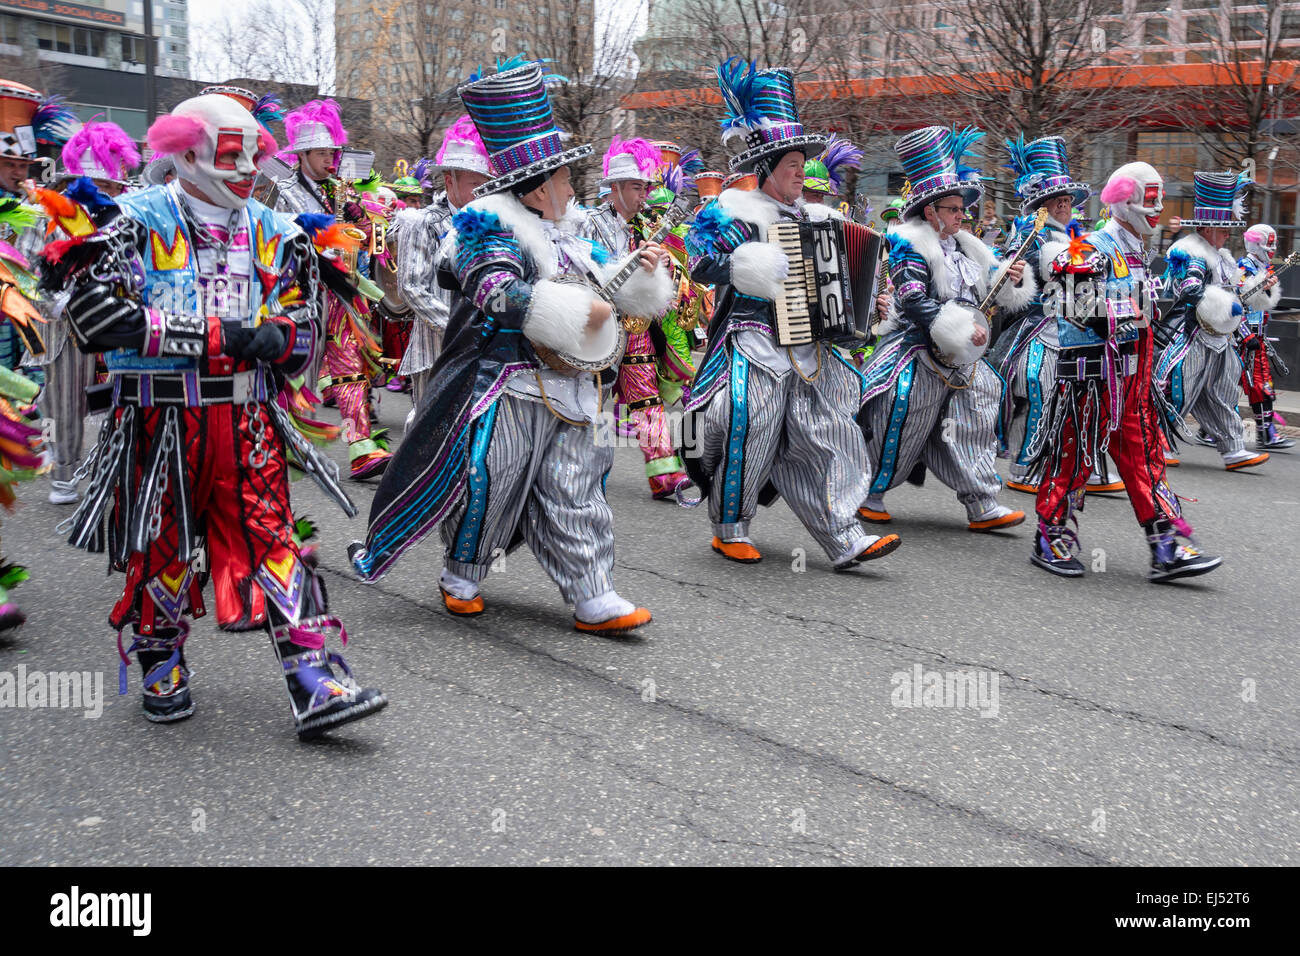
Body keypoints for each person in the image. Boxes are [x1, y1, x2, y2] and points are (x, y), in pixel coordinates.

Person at [45, 93, 387, 737]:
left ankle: (315, 679)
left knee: (278, 541)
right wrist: (216, 335)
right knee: (163, 543)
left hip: (249, 418)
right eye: (233, 155)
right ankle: (160, 658)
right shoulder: (131, 220)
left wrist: (281, 339)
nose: (250, 167)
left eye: (257, 153)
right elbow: (94, 320)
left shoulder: (278, 230)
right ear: (188, 152)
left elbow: (304, 328)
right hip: (158, 421)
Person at [350, 57, 674, 633]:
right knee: (491, 479)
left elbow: (607, 285)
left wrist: (637, 271)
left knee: (575, 483)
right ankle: (462, 572)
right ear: (536, 186)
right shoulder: (483, 226)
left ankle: (592, 591)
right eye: (565, 178)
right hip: (504, 382)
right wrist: (574, 311)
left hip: (571, 388)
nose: (573, 187)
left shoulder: (571, 235)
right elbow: (494, 290)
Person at [682, 57, 900, 570]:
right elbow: (701, 265)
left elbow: (841, 288)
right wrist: (746, 266)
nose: (802, 174)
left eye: (804, 167)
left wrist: (868, 306)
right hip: (753, 340)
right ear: (765, 170)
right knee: (750, 421)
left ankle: (843, 535)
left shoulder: (820, 220)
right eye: (792, 166)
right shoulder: (737, 213)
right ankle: (730, 527)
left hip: (808, 348)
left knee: (825, 433)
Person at [1025, 161, 1221, 580]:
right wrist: (1119, 313)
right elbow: (1066, 303)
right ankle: (1050, 536)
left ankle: (1165, 546)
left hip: (1133, 381)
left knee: (1146, 457)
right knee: (1073, 455)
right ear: (1126, 199)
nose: (1159, 208)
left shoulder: (1136, 252)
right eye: (1152, 199)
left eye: (1160, 198)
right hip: (1091, 380)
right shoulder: (1089, 247)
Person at [858, 126, 1033, 533]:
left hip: (966, 357)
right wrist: (954, 327)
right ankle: (869, 491)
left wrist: (1010, 278)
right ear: (932, 211)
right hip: (917, 351)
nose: (962, 215)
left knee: (977, 417)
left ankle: (982, 502)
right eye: (954, 209)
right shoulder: (908, 244)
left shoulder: (969, 248)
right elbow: (915, 300)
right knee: (899, 418)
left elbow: (990, 292)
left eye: (962, 209)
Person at [994, 134, 1124, 496]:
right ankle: (1024, 465)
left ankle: (1089, 467)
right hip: (1038, 327)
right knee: (1040, 386)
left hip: (1081, 327)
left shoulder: (1077, 238)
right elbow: (1011, 281)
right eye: (1058, 200)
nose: (1066, 205)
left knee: (1093, 393)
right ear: (1042, 204)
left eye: (1068, 200)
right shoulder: (1028, 233)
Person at [275, 99, 391, 478]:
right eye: (323, 153)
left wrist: (379, 227)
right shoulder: (285, 191)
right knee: (297, 370)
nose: (331, 159)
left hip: (340, 292)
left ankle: (360, 447)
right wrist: (335, 235)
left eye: (333, 152)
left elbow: (371, 232)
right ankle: (290, 441)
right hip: (299, 293)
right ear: (303, 154)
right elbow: (281, 239)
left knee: (349, 367)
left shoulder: (341, 190)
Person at [26, 121, 139, 507]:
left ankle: (110, 463)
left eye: (115, 187)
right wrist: (52, 298)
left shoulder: (121, 217)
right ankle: (61, 469)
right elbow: (22, 271)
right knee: (60, 403)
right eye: (104, 187)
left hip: (116, 321)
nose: (112, 194)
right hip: (62, 326)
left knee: (120, 398)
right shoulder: (49, 216)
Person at [584, 136, 693, 500]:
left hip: (636, 327)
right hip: (598, 327)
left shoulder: (644, 227)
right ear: (613, 188)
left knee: (647, 398)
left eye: (645, 186)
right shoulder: (589, 224)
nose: (643, 194)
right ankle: (584, 470)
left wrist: (659, 267)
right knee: (591, 402)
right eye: (635, 187)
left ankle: (664, 474)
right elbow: (583, 273)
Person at [1154, 171, 1269, 471]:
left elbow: (1234, 301)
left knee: (1225, 390)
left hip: (1220, 338)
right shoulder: (1193, 254)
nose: (1228, 234)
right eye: (1224, 228)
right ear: (1207, 228)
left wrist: (1244, 332)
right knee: (1177, 388)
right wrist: (1222, 301)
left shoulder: (1224, 259)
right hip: (1191, 334)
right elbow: (1189, 290)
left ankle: (1233, 447)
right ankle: (1157, 442)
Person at [394, 122, 490, 415]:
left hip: (480, 352)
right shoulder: (422, 222)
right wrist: (456, 328)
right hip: (434, 351)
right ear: (449, 181)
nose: (483, 191)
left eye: (486, 182)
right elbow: (411, 286)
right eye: (476, 184)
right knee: (430, 433)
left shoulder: (492, 223)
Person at [1235, 223, 1292, 450]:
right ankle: (1266, 434)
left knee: (1250, 383)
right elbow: (1241, 298)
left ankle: (1210, 430)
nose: (1273, 248)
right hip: (1243, 335)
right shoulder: (1244, 266)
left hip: (1257, 335)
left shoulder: (1262, 266)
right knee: (1254, 384)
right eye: (1269, 243)